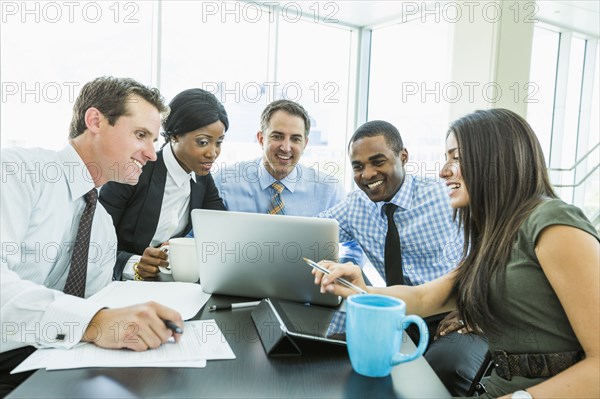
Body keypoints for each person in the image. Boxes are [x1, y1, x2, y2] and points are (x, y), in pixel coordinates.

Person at [314, 109, 599, 398]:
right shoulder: (494, 237)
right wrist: (360, 289)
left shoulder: (553, 223)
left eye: (457, 158)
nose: (443, 171)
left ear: (494, 160)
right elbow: (425, 298)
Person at [0, 77, 184, 396]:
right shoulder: (18, 172)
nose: (152, 154)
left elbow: (95, 302)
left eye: (155, 141)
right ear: (95, 120)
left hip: (44, 362)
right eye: (141, 135)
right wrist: (95, 322)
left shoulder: (101, 223)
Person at [318, 120, 487, 395]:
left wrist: (475, 304)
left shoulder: (446, 195)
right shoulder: (355, 206)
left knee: (441, 368)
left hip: (453, 311)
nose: (367, 174)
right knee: (337, 351)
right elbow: (310, 231)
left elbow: (489, 250)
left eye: (378, 161)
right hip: (402, 307)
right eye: (358, 167)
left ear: (403, 157)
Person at [99, 88, 228, 281]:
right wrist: (134, 263)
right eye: (203, 142)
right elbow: (94, 243)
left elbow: (220, 228)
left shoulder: (201, 178)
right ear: (174, 135)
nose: (212, 153)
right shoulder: (134, 171)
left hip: (165, 282)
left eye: (218, 143)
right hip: (117, 283)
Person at [212, 99, 345, 216]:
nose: (286, 147)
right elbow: (197, 237)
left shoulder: (330, 192)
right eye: (277, 136)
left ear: (305, 144)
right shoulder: (223, 183)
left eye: (295, 139)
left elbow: (347, 243)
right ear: (261, 139)